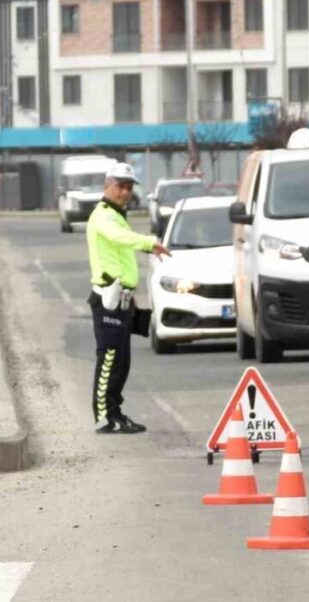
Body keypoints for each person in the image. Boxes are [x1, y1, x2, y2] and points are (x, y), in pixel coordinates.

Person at [86, 163, 170, 434]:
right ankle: (104, 417)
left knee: (122, 362)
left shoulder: (117, 215)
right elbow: (117, 237)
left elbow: (120, 254)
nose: (124, 192)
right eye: (120, 186)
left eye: (129, 187)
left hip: (122, 298)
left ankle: (115, 413)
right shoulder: (103, 215)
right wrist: (148, 242)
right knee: (109, 359)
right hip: (108, 298)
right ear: (107, 186)